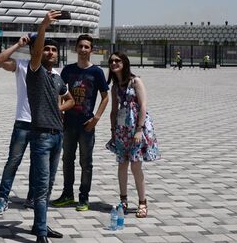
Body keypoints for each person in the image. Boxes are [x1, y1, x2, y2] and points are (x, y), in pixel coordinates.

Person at [26, 10, 75, 243]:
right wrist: (43, 26)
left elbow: (71, 99)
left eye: (54, 50)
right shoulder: (34, 71)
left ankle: (39, 226)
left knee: (49, 184)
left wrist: (59, 109)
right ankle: (42, 234)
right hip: (41, 137)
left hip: (57, 136)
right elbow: (36, 52)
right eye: (47, 48)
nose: (50, 52)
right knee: (42, 185)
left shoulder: (56, 77)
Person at [51, 34, 109, 212]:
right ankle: (68, 194)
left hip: (86, 125)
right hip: (68, 124)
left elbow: (105, 97)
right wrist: (60, 112)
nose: (83, 50)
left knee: (86, 162)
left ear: (91, 50)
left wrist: (96, 119)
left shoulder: (96, 72)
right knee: (67, 160)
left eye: (87, 47)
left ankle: (84, 198)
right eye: (81, 46)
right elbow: (60, 93)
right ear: (75, 49)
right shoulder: (67, 70)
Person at [0, 34, 46, 215]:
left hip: (42, 124)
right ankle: (2, 198)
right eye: (36, 47)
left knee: (37, 165)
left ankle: (31, 198)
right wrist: (17, 44)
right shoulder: (21, 66)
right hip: (23, 121)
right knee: (13, 162)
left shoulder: (50, 70)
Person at [106, 51, 160, 218]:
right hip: (121, 130)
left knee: (136, 165)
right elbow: (114, 111)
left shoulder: (135, 81)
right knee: (122, 164)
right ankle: (123, 200)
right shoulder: (115, 86)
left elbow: (143, 106)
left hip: (136, 128)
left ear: (124, 62)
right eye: (111, 61)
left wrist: (139, 129)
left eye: (117, 60)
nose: (114, 63)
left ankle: (142, 202)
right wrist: (113, 131)